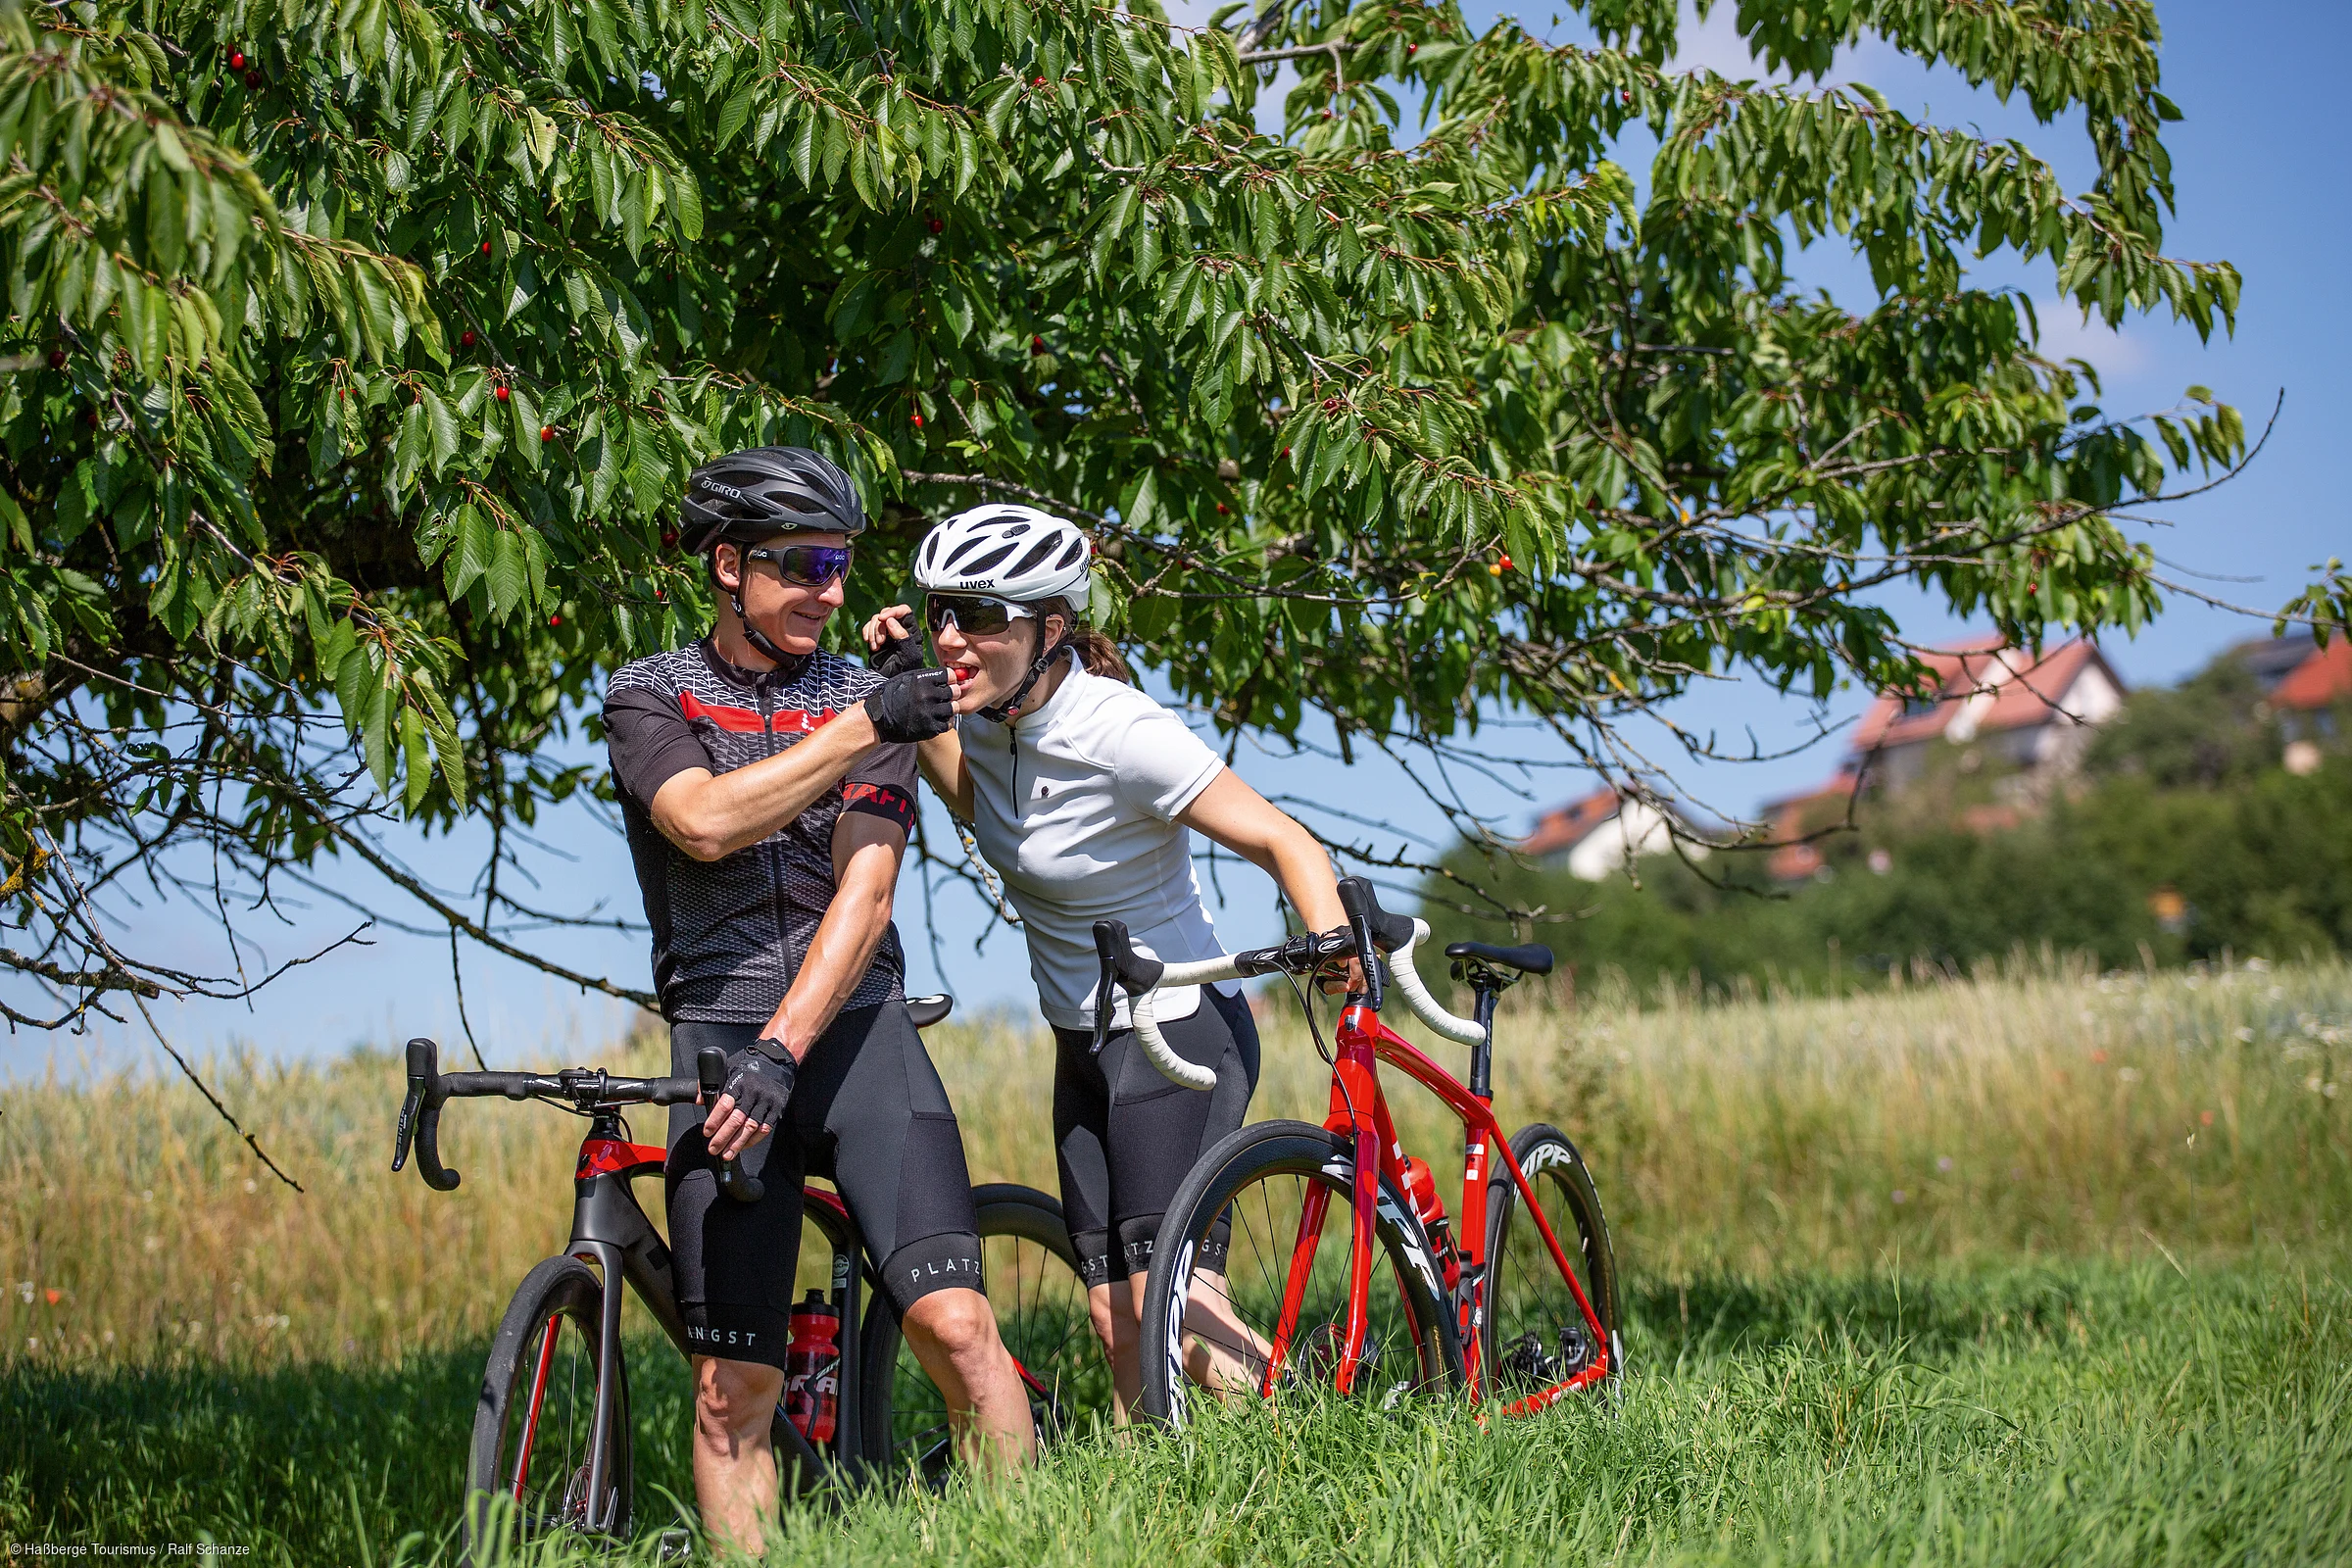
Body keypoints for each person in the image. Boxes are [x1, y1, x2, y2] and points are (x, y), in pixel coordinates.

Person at [602, 449, 1032, 1552]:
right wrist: (870, 723)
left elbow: (868, 886)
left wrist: (786, 1046)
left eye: (840, 564)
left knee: (955, 1322)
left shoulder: (858, 692)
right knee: (730, 1389)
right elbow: (699, 821)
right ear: (729, 567)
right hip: (715, 1031)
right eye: (804, 566)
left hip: (849, 1037)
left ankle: (1024, 1540)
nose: (832, 592)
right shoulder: (650, 693)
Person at [862, 503, 1360, 1417]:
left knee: (1169, 1310)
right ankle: (1153, 1505)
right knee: (1114, 1317)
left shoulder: (1121, 730)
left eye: (978, 618)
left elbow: (1285, 841)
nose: (950, 640)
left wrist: (1331, 945)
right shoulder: (983, 717)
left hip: (1177, 1033)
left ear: (1051, 627)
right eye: (938, 612)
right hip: (1083, 1041)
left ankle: (1336, 1438)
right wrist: (898, 681)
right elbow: (984, 806)